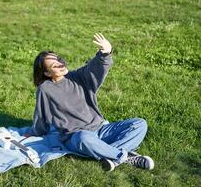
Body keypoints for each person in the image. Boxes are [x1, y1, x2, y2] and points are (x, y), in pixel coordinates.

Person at [25, 33, 154, 171]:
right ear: (47, 73)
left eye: (60, 60)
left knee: (139, 124)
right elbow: (41, 116)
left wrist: (105, 53)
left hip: (101, 129)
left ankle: (111, 157)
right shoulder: (45, 89)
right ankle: (126, 157)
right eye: (55, 65)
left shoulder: (78, 77)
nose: (61, 64)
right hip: (75, 135)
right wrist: (34, 132)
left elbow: (94, 69)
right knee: (84, 139)